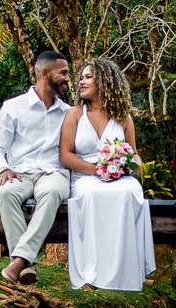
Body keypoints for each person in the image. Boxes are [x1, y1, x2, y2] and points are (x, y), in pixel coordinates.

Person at [58, 58, 155, 291]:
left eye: (88, 77)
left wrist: (131, 166)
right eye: (81, 77)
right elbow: (65, 155)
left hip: (117, 177)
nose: (81, 81)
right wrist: (97, 170)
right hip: (85, 177)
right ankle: (92, 272)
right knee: (91, 193)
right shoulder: (75, 115)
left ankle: (124, 270)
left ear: (105, 81)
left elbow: (134, 154)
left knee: (130, 191)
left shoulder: (123, 117)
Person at [0, 51, 73, 286]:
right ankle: (27, 263)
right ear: (45, 74)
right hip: (19, 173)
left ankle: (18, 261)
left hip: (53, 173)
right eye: (63, 72)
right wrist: (3, 168)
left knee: (53, 191)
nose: (68, 78)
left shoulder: (69, 113)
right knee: (5, 192)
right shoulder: (12, 107)